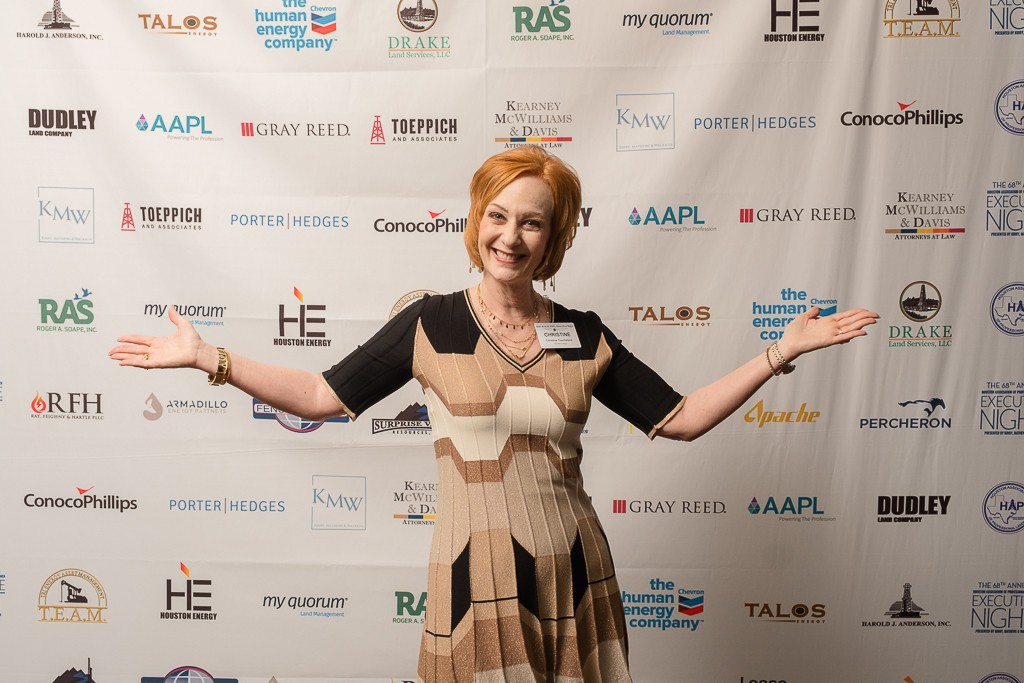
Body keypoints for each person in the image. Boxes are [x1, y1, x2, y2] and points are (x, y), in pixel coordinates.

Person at [110, 146, 878, 682]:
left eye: (532, 222)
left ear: (554, 238)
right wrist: (210, 358)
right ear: (478, 218)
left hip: (574, 569)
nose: (511, 236)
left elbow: (679, 416)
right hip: (475, 574)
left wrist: (780, 351)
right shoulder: (431, 322)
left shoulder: (582, 333)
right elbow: (321, 396)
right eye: (499, 215)